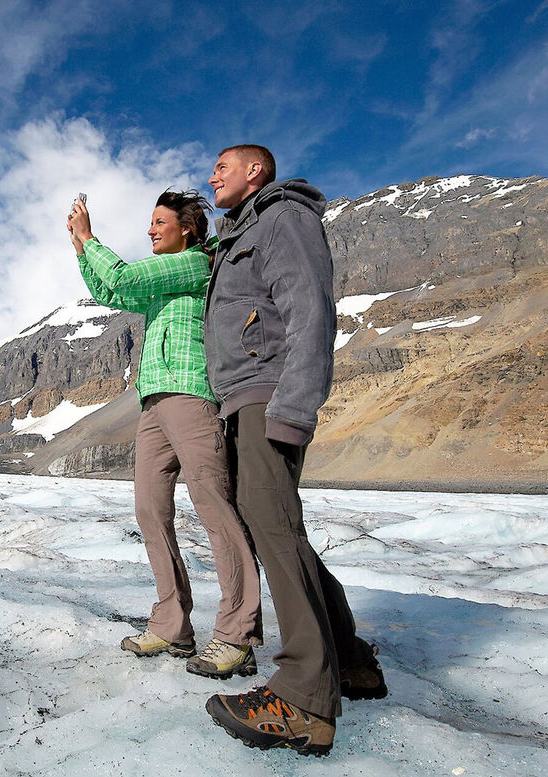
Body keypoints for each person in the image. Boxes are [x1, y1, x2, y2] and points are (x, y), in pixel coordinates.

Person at [200, 145, 387, 757]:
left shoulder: (283, 217)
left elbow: (310, 311)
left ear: (256, 171)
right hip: (242, 398)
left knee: (274, 529)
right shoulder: (240, 233)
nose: (211, 177)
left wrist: (293, 407)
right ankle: (351, 660)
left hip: (267, 394)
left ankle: (305, 698)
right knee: (280, 529)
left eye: (222, 167)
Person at [66, 189, 264, 679]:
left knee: (215, 508)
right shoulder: (168, 276)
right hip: (153, 401)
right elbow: (109, 292)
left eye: (159, 222)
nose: (151, 230)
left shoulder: (194, 264)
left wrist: (91, 238)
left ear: (187, 229)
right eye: (150, 223)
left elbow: (123, 277)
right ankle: (172, 624)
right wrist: (79, 247)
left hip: (190, 395)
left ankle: (237, 634)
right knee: (150, 510)